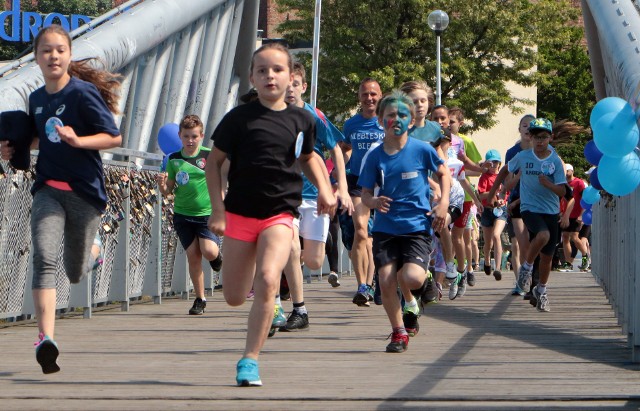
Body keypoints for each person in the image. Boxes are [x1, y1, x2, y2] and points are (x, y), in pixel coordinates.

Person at [205, 42, 336, 386]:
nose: (269, 76)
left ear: (291, 76)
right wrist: (218, 209)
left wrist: (325, 189)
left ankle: (250, 359)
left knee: (267, 279)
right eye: (261, 70)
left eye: (277, 70)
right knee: (234, 297)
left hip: (280, 213)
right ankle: (247, 293)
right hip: (239, 215)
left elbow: (308, 157)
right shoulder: (237, 119)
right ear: (252, 77)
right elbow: (213, 162)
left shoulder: (302, 120)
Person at [0, 25, 122, 374]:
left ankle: (95, 250)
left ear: (68, 55)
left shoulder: (83, 94)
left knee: (75, 272)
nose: (53, 56)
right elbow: (42, 138)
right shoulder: (37, 98)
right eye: (45, 51)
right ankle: (46, 339)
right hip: (48, 190)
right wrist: (15, 147)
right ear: (36, 58)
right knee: (43, 257)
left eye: (59, 50)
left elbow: (113, 137)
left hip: (84, 191)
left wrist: (78, 140)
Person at [359, 90, 450, 352]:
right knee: (386, 279)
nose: (396, 119)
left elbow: (444, 173)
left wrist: (442, 204)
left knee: (411, 278)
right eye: (390, 115)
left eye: (402, 115)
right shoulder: (375, 156)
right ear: (380, 120)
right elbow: (365, 194)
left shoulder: (422, 150)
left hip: (416, 227)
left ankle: (426, 278)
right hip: (386, 228)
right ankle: (399, 332)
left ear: (411, 121)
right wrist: (373, 202)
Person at [277, 62, 353, 332]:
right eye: (286, 85)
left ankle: (324, 240)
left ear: (303, 87)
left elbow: (336, 149)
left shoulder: (313, 116)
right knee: (288, 248)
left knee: (313, 261)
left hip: (314, 196)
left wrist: (339, 188)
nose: (290, 90)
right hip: (285, 196)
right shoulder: (273, 114)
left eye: (295, 85)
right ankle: (294, 309)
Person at [156, 114, 223, 315]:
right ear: (180, 136)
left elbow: (220, 182)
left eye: (194, 136)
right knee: (193, 256)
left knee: (209, 251)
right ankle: (200, 299)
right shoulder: (173, 159)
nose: (190, 141)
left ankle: (218, 257)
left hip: (206, 214)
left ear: (201, 136)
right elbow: (168, 190)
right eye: (186, 136)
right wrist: (162, 185)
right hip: (183, 214)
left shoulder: (209, 156)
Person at [508, 118, 567, 312]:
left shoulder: (555, 161)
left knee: (548, 257)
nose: (539, 141)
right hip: (529, 208)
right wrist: (496, 192)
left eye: (543, 137)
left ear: (550, 137)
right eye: (536, 137)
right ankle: (526, 267)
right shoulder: (524, 156)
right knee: (542, 235)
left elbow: (562, 192)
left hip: (551, 210)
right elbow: (506, 170)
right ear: (530, 138)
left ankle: (541, 290)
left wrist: (548, 184)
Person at [339, 78, 385, 306]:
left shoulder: (387, 123)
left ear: (380, 96)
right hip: (358, 181)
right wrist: (338, 173)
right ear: (359, 97)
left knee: (377, 236)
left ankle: (374, 277)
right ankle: (362, 286)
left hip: (384, 184)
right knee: (361, 230)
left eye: (373, 94)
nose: (369, 98)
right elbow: (344, 148)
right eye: (365, 94)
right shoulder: (351, 124)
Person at [489, 114, 535, 295]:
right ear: (519, 129)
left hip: (537, 202)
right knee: (520, 244)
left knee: (533, 244)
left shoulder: (541, 150)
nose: (527, 129)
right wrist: (519, 176)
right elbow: (507, 183)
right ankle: (522, 282)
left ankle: (533, 279)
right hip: (516, 202)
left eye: (530, 126)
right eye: (524, 125)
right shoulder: (512, 152)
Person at [448, 107, 484, 279]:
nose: (448, 124)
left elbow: (476, 170)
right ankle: (449, 268)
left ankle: (468, 268)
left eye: (452, 122)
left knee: (464, 236)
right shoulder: (438, 140)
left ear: (460, 124)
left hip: (464, 195)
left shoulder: (464, 142)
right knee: (447, 235)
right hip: (445, 194)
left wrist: (456, 172)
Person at [477, 149, 508, 282]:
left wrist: (501, 199)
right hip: (487, 210)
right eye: (491, 163)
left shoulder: (503, 176)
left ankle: (498, 268)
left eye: (496, 162)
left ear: (499, 163)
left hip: (500, 209)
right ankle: (488, 260)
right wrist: (493, 193)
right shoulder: (484, 177)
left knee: (497, 235)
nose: (494, 165)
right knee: (488, 242)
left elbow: (506, 192)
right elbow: (481, 194)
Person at [559, 163, 589, 271]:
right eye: (565, 171)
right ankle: (568, 263)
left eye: (568, 171)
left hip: (576, 214)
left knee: (575, 237)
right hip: (566, 214)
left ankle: (585, 255)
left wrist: (581, 215)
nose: (566, 173)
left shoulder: (579, 183)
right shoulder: (562, 183)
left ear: (572, 171)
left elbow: (585, 199)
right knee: (565, 237)